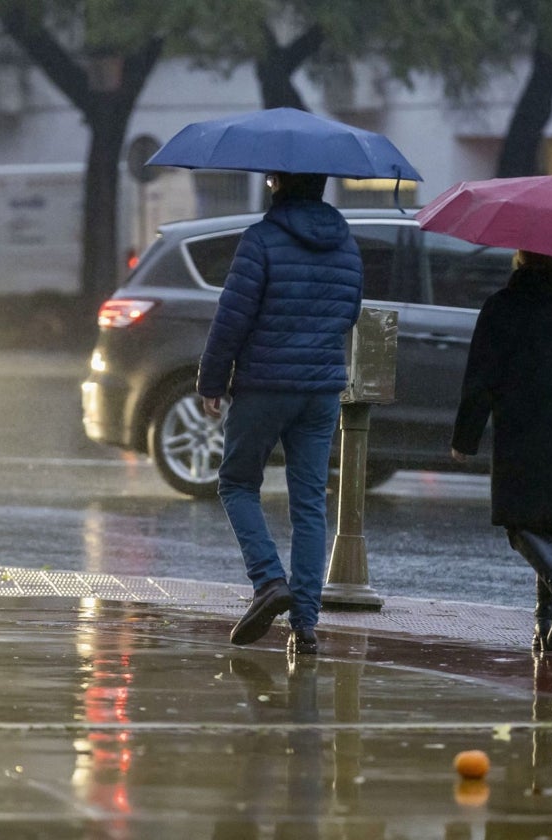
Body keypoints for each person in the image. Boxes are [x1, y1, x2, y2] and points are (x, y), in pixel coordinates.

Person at [197, 171, 364, 657]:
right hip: (321, 390)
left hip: (265, 384)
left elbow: (232, 315)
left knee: (237, 483)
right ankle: (305, 626)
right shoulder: (347, 245)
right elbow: (349, 312)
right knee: (309, 503)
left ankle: (269, 579)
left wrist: (212, 381)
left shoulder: (262, 239)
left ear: (277, 184)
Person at [451, 249, 552, 651]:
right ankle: (545, 625)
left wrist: (464, 437)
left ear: (522, 256)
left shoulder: (504, 305)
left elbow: (481, 376)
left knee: (518, 520)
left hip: (525, 425)